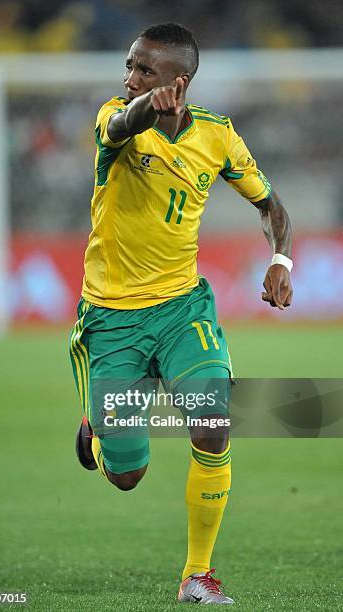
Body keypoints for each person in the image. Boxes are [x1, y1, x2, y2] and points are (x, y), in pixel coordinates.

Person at [71, 22, 293, 605]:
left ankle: (198, 575)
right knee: (126, 476)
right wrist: (143, 103)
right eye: (129, 65)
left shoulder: (217, 136)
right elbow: (124, 125)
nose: (130, 78)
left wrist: (280, 260)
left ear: (181, 80)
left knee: (214, 424)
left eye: (145, 70)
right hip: (113, 317)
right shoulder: (113, 117)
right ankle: (98, 436)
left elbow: (271, 205)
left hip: (181, 309)